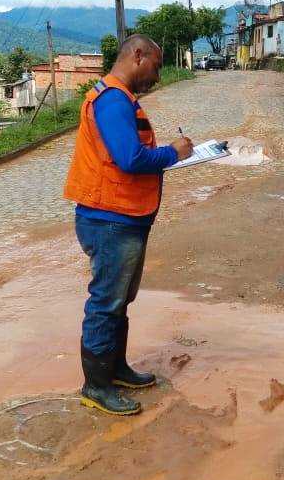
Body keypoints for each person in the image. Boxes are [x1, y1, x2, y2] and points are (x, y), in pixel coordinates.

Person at [63, 34, 193, 416]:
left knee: (119, 299)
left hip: (123, 217)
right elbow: (130, 158)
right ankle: (96, 386)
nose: (157, 76)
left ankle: (115, 369)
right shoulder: (112, 101)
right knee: (106, 302)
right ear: (138, 56)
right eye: (155, 66)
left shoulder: (119, 98)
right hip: (110, 220)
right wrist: (173, 153)